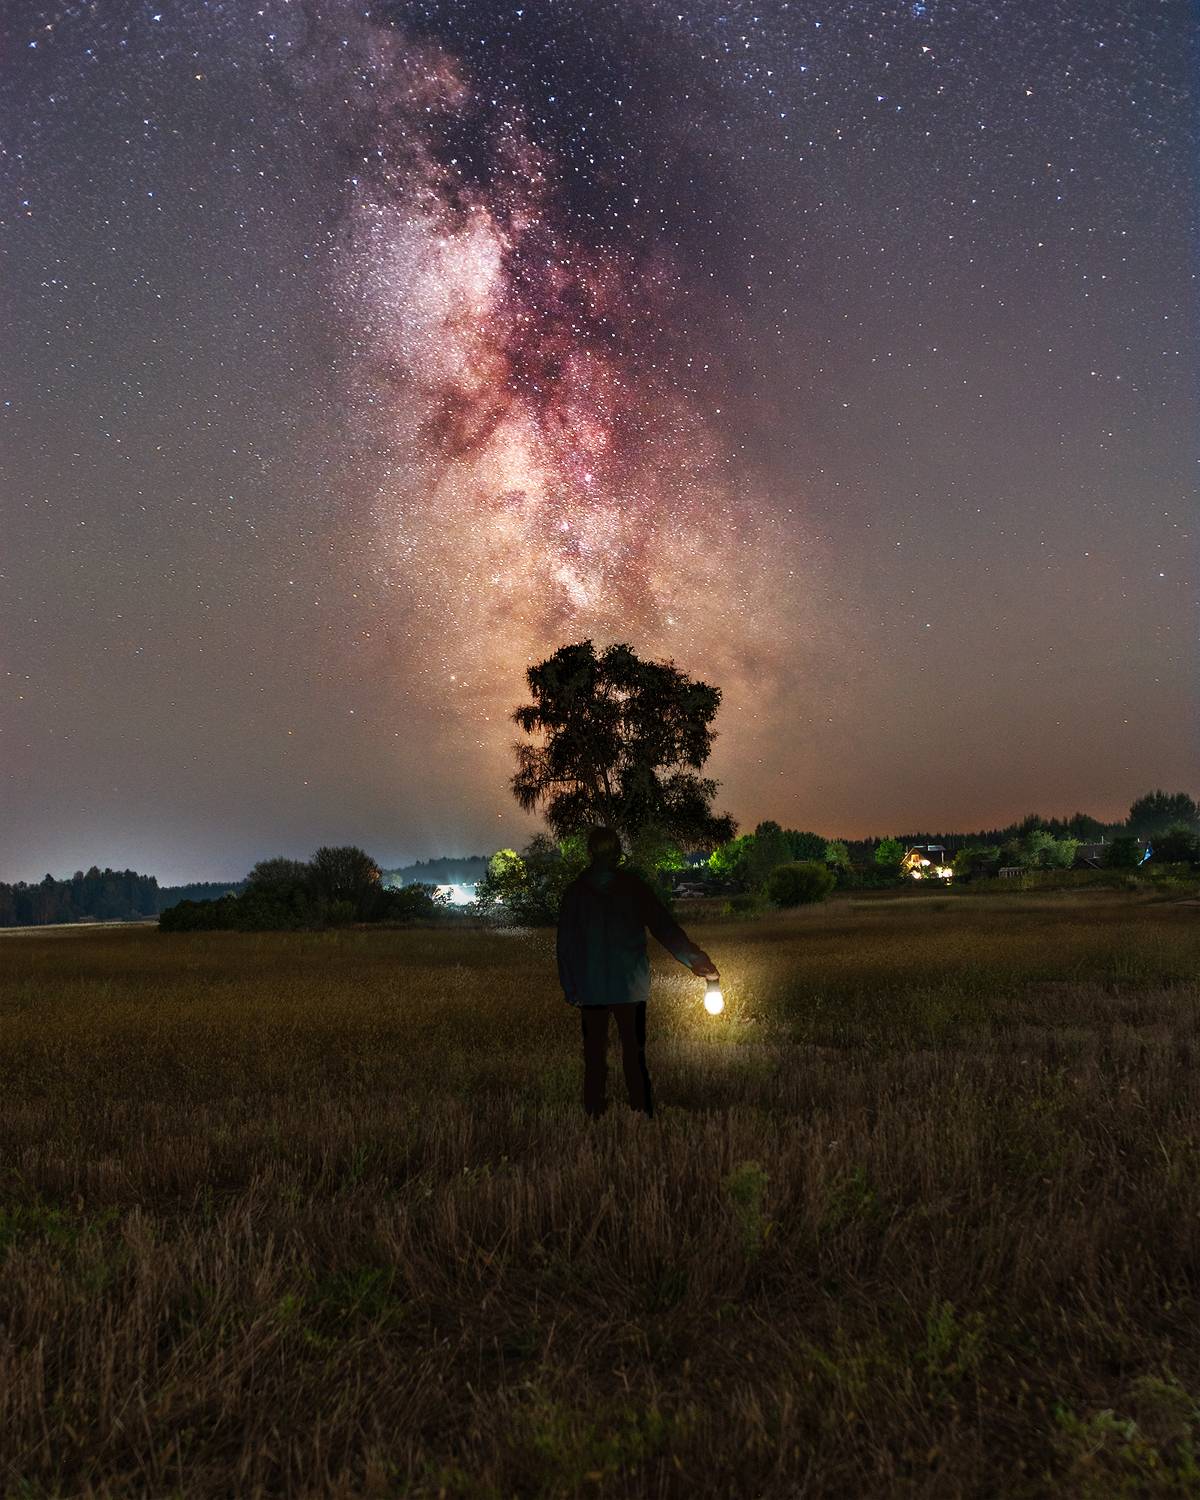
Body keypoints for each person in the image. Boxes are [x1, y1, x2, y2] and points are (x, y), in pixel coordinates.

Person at [556, 826, 719, 1120]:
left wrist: (571, 988)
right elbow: (664, 929)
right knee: (634, 1055)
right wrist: (696, 960)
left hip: (590, 990)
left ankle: (594, 1115)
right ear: (618, 853)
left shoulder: (575, 893)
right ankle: (642, 1112)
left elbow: (565, 946)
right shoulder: (634, 888)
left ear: (590, 853)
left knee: (594, 1058)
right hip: (630, 987)